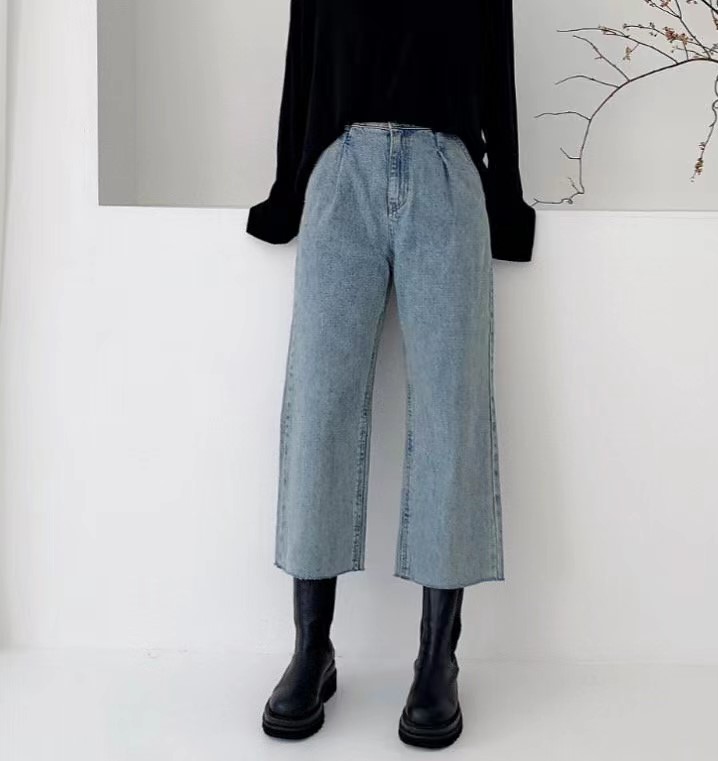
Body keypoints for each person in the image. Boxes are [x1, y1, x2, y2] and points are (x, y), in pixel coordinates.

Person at [246, 0, 536, 749]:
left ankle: (437, 660)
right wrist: (286, 193)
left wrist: (506, 207)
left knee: (451, 410)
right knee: (319, 407)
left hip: (447, 174)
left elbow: (497, 78)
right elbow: (302, 71)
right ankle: (312, 648)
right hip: (340, 167)